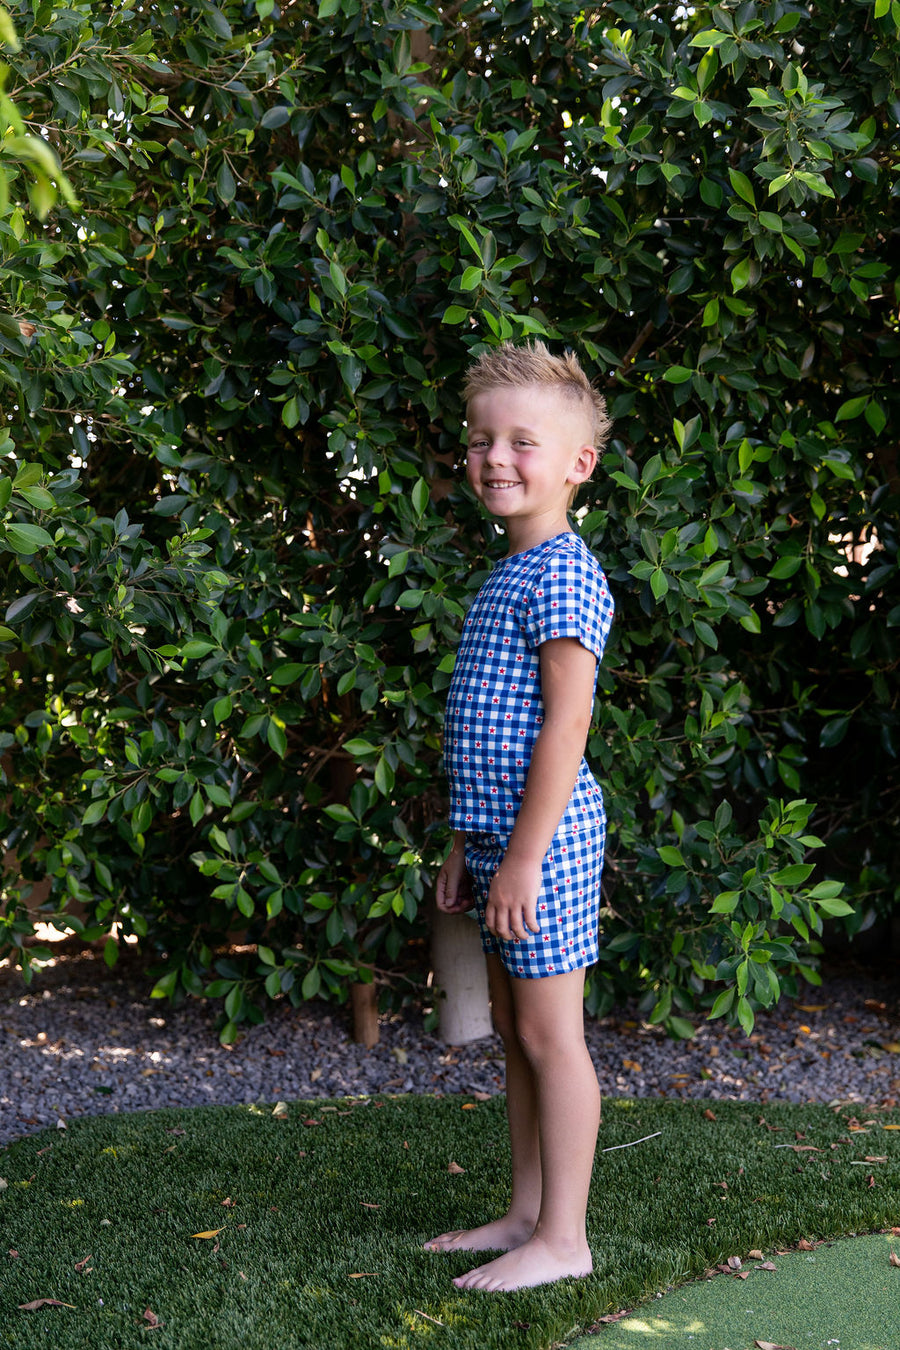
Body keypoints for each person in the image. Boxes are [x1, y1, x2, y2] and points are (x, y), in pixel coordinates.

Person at [424, 340, 615, 1293]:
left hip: (549, 845)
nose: (495, 457)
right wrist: (471, 846)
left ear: (580, 463)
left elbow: (566, 728)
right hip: (503, 841)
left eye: (522, 442)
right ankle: (527, 1213)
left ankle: (566, 1242)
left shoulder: (564, 575)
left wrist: (525, 859)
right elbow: (488, 732)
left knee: (550, 1038)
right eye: (481, 439)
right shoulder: (509, 572)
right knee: (513, 1031)